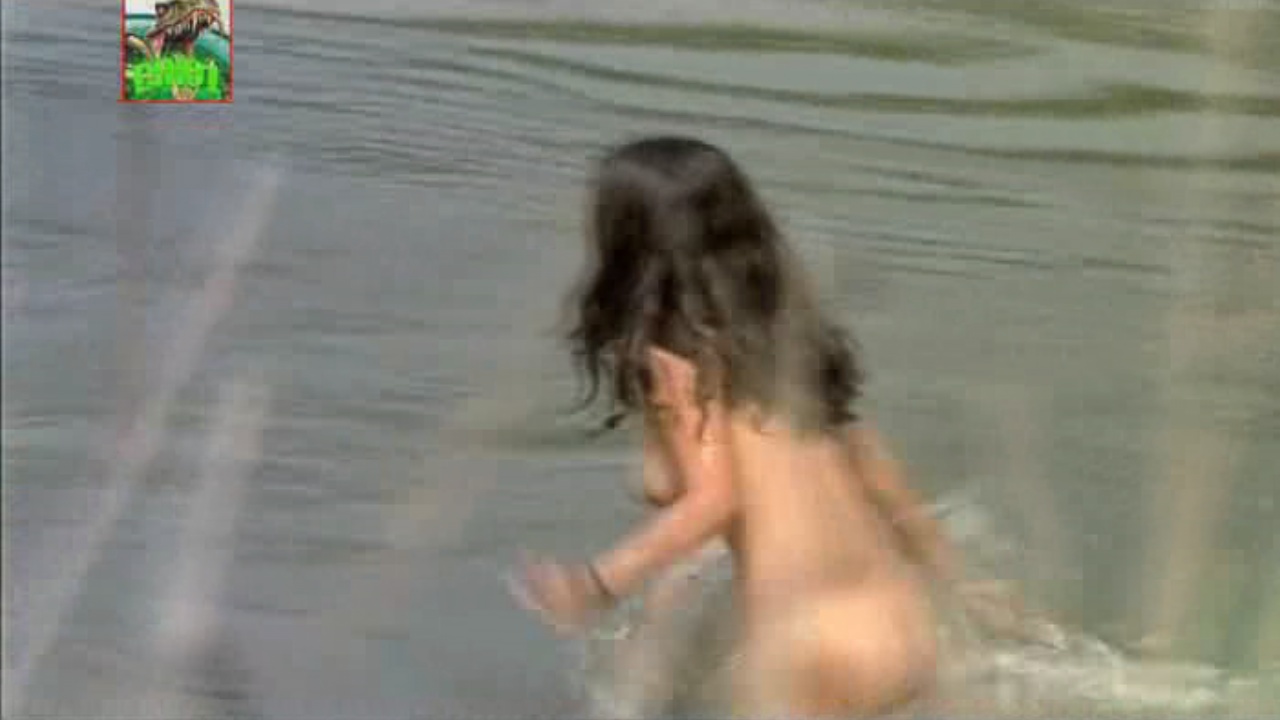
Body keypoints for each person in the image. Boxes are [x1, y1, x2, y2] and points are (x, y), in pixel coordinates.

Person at [509, 136, 998, 718]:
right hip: (902, 623)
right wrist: (968, 585)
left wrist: (598, 584)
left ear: (626, 246)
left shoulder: (671, 362)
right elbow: (874, 469)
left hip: (811, 648)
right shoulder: (784, 348)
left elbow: (715, 499)